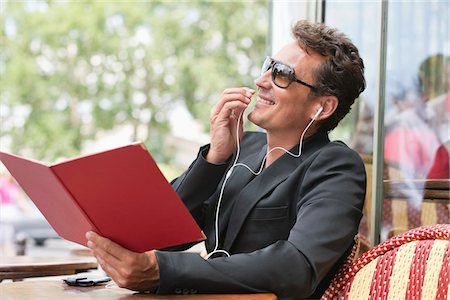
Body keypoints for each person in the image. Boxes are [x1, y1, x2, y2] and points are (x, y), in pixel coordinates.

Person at [86, 20, 366, 299]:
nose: (261, 81)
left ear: (322, 107)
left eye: (282, 74)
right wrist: (214, 159)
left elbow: (296, 266)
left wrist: (164, 270)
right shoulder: (243, 148)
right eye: (268, 66)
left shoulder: (336, 166)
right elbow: (159, 234)